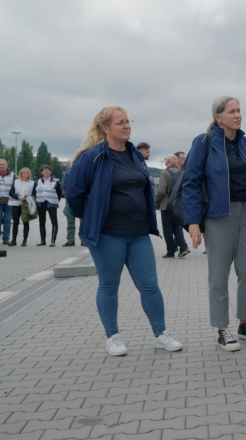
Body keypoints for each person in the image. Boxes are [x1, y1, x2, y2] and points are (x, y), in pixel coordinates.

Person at [66, 105, 182, 356]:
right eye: (120, 122)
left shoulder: (135, 155)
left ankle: (161, 334)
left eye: (128, 121)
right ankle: (113, 337)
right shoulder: (92, 156)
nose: (127, 125)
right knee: (109, 285)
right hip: (108, 235)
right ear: (106, 128)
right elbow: (74, 194)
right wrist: (92, 216)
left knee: (150, 286)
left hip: (138, 234)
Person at [183, 95, 246, 352]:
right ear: (218, 117)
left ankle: (245, 324)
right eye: (231, 111)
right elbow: (191, 182)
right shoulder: (204, 142)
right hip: (218, 215)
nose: (237, 115)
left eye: (239, 110)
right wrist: (193, 222)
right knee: (219, 274)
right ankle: (222, 329)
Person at [156, 154, 189, 259]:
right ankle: (183, 248)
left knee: (167, 229)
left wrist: (156, 200)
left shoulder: (165, 173)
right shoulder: (180, 172)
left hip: (166, 205)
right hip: (176, 205)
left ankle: (170, 252)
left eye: (166, 159)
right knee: (177, 227)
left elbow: (161, 190)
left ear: (168, 162)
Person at [33, 165, 62, 247]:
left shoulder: (55, 181)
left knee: (54, 222)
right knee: (42, 222)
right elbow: (34, 192)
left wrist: (56, 201)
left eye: (48, 170)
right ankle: (42, 240)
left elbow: (59, 193)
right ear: (41, 172)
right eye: (44, 170)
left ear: (50, 171)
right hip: (41, 203)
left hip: (51, 203)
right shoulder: (37, 182)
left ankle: (53, 240)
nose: (46, 171)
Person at [8, 167, 35, 247]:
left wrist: (27, 198)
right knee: (15, 222)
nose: (26, 174)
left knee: (26, 222)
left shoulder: (32, 183)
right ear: (21, 173)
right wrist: (18, 197)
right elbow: (11, 193)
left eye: (28, 172)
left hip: (26, 205)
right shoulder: (16, 182)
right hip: (16, 204)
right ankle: (14, 240)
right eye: (24, 172)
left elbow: (34, 194)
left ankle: (24, 240)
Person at [61, 171, 81, 247]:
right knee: (70, 221)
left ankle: (83, 240)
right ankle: (70, 240)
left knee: (83, 221)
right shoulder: (68, 174)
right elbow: (64, 185)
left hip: (81, 199)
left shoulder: (85, 172)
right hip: (71, 200)